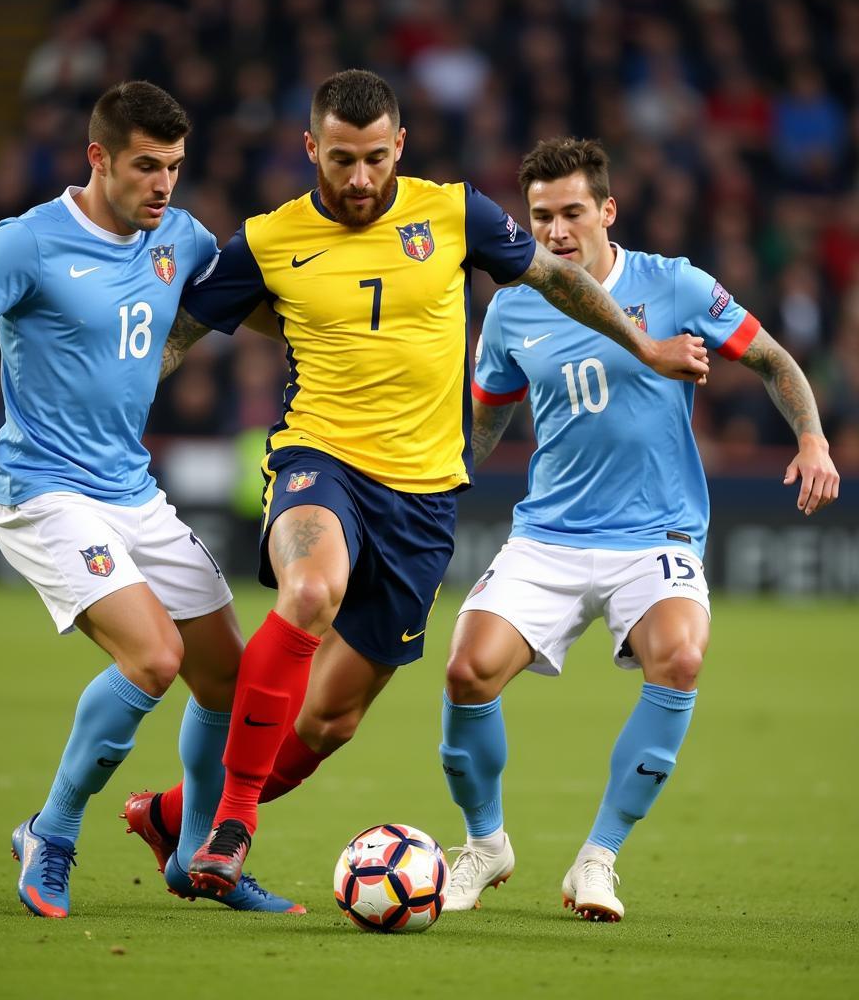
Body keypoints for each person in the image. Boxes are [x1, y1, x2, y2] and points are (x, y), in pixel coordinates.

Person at [125, 70, 710, 897]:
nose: (359, 179)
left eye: (373, 158)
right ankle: (232, 826)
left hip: (422, 499)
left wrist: (645, 345)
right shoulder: (270, 240)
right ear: (310, 150)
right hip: (317, 460)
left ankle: (172, 815)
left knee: (329, 720)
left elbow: (558, 279)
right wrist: (100, 408)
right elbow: (173, 337)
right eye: (339, 160)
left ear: (399, 145)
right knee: (309, 593)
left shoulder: (455, 213)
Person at [0, 81, 302, 918]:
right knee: (154, 658)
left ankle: (192, 848)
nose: (164, 185)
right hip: (44, 492)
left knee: (228, 682)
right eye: (147, 167)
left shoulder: (181, 239)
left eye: (176, 168)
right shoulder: (28, 243)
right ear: (99, 159)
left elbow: (253, 308)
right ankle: (50, 831)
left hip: (132, 491)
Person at [437, 137, 840, 921]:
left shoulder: (675, 284)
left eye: (572, 213)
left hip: (654, 536)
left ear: (607, 211)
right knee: (465, 672)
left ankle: (599, 858)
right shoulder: (513, 304)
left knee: (681, 656)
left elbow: (774, 361)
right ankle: (485, 846)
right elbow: (485, 425)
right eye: (541, 216)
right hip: (548, 535)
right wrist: (436, 481)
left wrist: (813, 437)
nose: (555, 231)